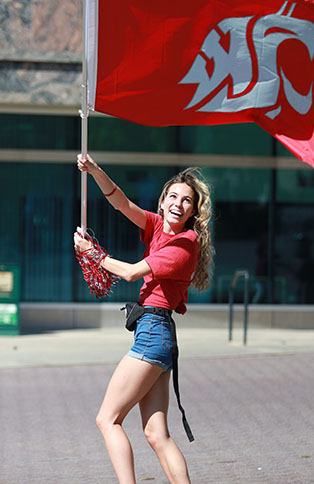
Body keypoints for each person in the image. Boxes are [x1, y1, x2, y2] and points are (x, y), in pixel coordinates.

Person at [73, 154, 213, 484]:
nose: (179, 204)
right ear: (163, 203)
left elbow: (133, 272)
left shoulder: (185, 242)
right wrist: (94, 170)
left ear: (193, 212)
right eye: (174, 197)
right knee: (156, 433)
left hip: (153, 334)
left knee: (107, 419)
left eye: (188, 201)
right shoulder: (156, 228)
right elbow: (121, 203)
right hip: (157, 336)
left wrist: (93, 253)